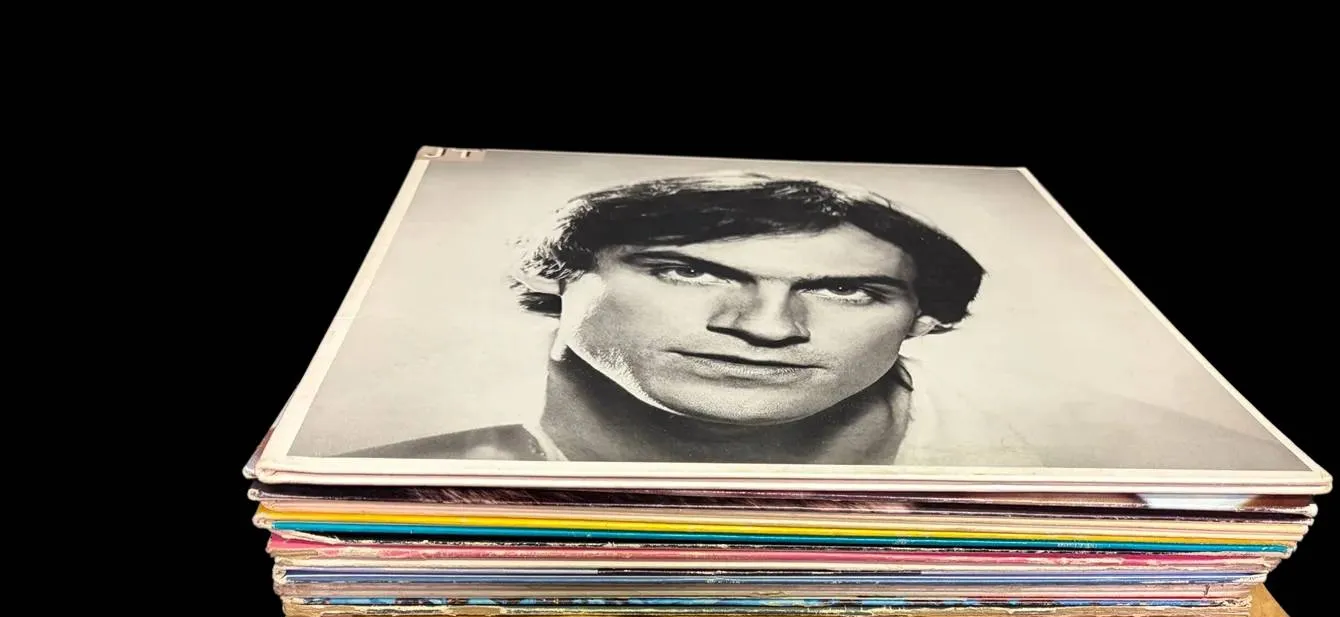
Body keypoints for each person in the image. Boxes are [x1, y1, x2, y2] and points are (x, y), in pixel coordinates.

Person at [349, 172, 1043, 465]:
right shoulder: (372, 469)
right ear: (554, 275)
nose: (767, 328)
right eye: (689, 273)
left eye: (846, 290)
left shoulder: (1047, 473)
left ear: (926, 322)